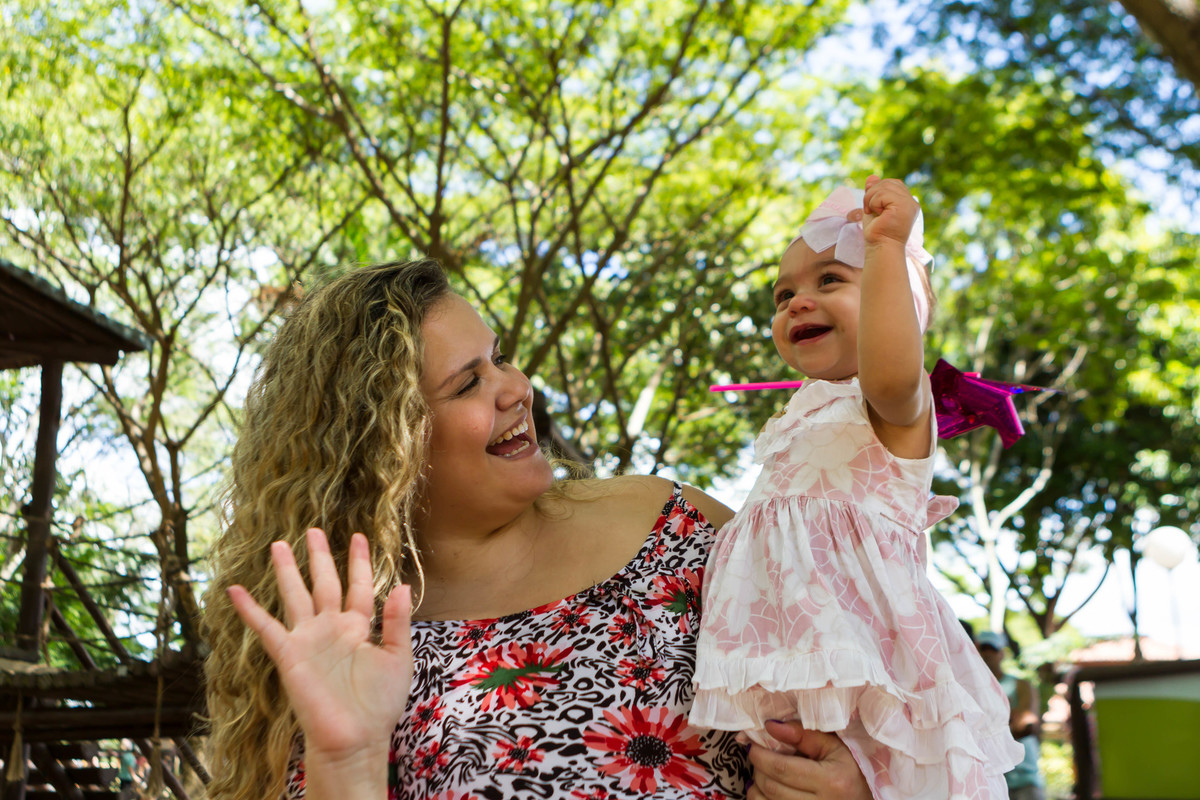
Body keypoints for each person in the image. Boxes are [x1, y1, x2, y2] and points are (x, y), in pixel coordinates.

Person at [203, 259, 875, 800]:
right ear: (384, 447)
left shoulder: (676, 526)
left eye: (499, 358)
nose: (517, 388)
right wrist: (345, 761)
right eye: (467, 384)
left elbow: (870, 701)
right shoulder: (350, 651)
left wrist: (861, 781)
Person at [690, 178, 1025, 799]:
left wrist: (887, 248)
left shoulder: (891, 406)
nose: (797, 301)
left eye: (830, 280)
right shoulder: (799, 418)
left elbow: (892, 368)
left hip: (874, 673)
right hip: (791, 673)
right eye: (783, 293)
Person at [975, 631, 1045, 800]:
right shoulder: (971, 689)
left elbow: (1026, 724)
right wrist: (1008, 720)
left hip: (1024, 777)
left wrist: (987, 725)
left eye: (992, 649)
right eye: (982, 649)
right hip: (988, 779)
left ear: (1002, 653)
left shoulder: (1021, 684)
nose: (987, 654)